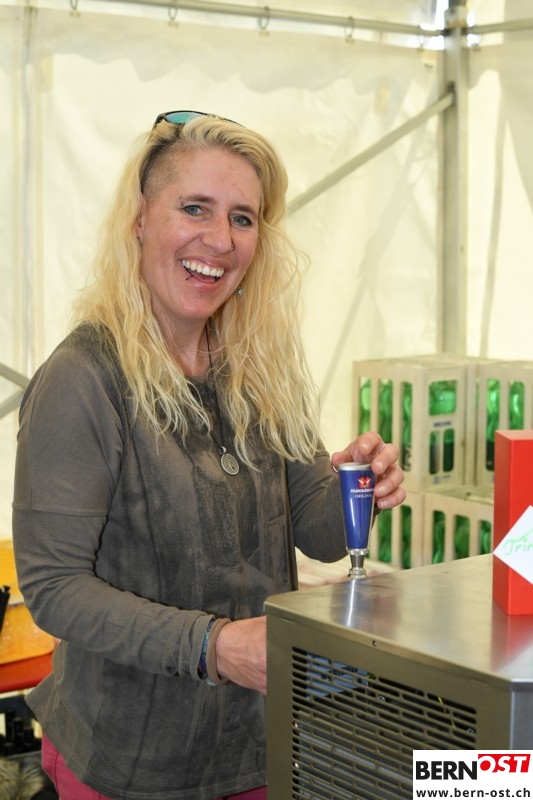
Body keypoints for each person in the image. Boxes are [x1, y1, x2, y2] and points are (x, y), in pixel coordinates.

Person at [12, 110, 406, 800]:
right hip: (131, 768)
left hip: (257, 746)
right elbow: (55, 589)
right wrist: (212, 647)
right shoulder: (83, 378)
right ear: (140, 220)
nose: (219, 239)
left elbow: (315, 530)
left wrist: (356, 486)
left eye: (242, 218)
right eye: (194, 207)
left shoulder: (259, 366)